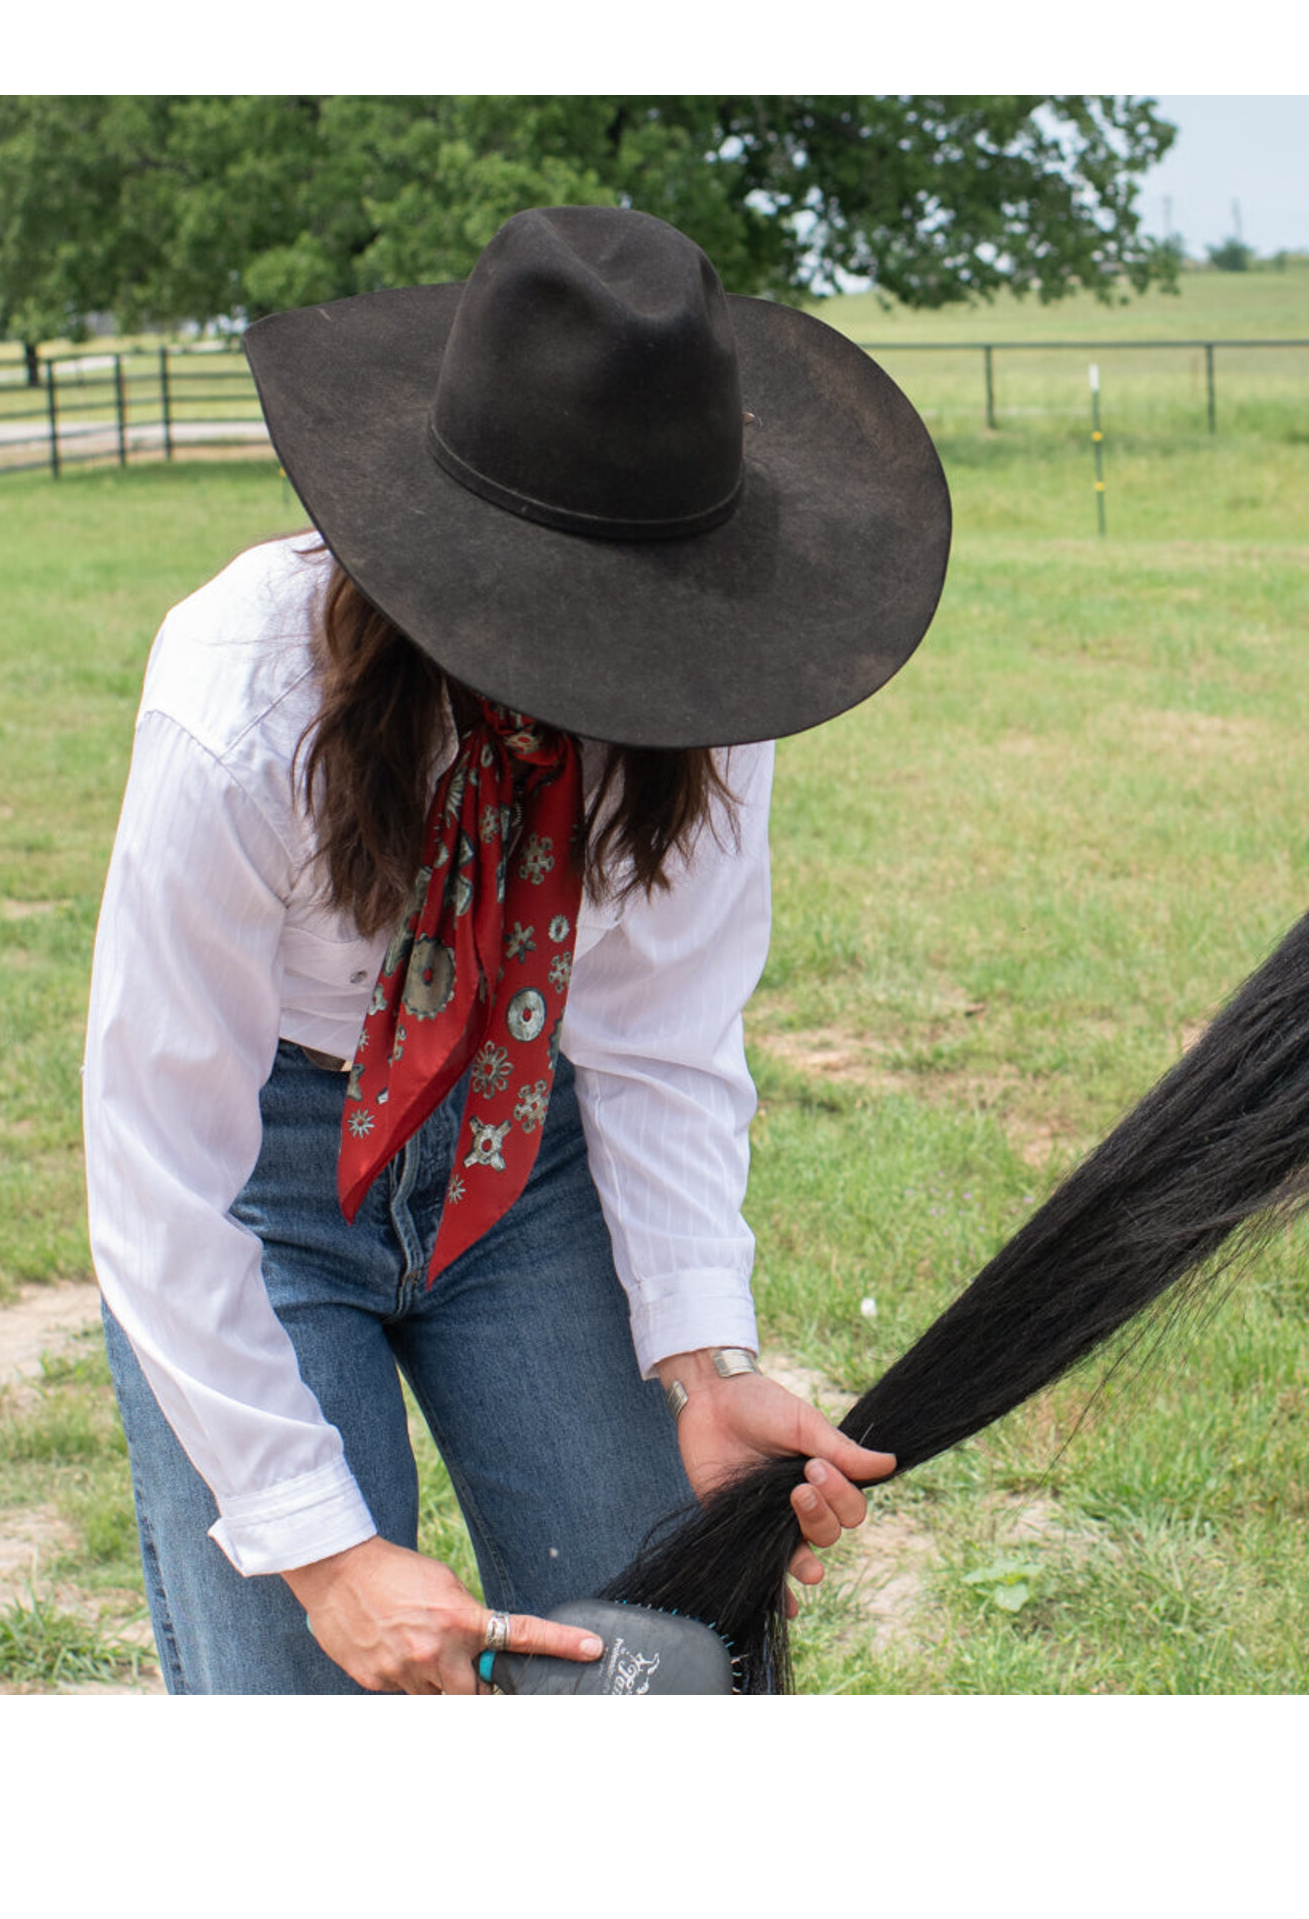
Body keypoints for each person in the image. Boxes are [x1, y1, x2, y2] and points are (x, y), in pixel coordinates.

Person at [83, 204, 952, 1695]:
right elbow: (161, 1152)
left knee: (661, 1661)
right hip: (266, 1174)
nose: (601, 672)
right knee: (303, 1697)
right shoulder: (243, 699)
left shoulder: (710, 690)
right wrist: (325, 1552)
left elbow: (663, 1037)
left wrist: (705, 1360)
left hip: (523, 1151)